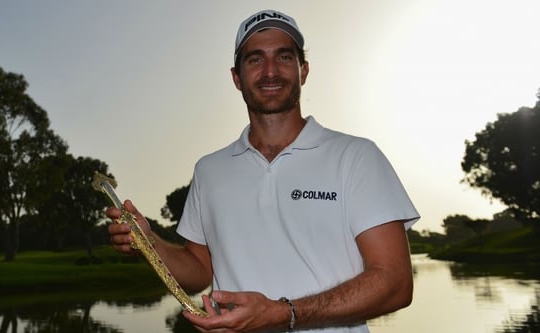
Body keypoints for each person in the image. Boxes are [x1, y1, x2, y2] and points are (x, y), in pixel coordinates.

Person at [106, 9, 420, 333]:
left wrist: (283, 313)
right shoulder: (209, 170)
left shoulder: (356, 157)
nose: (270, 71)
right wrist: (150, 243)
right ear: (236, 77)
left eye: (283, 57)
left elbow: (395, 283)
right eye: (255, 59)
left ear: (304, 71)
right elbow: (199, 272)